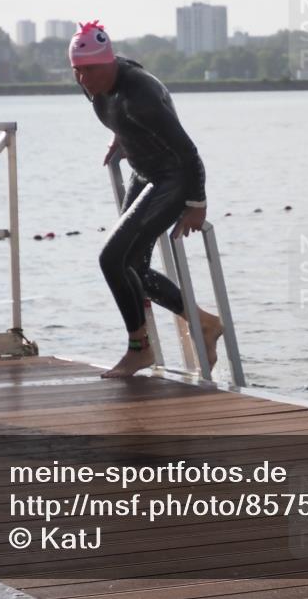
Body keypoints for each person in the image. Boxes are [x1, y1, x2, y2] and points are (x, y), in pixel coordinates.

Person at [69, 20, 223, 378]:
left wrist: (197, 204)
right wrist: (123, 136)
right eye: (77, 71)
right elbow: (121, 115)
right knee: (132, 266)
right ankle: (204, 322)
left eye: (90, 70)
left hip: (174, 178)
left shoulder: (141, 96)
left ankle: (140, 349)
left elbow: (188, 152)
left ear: (109, 62)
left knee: (112, 259)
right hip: (144, 171)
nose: (83, 79)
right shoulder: (96, 84)